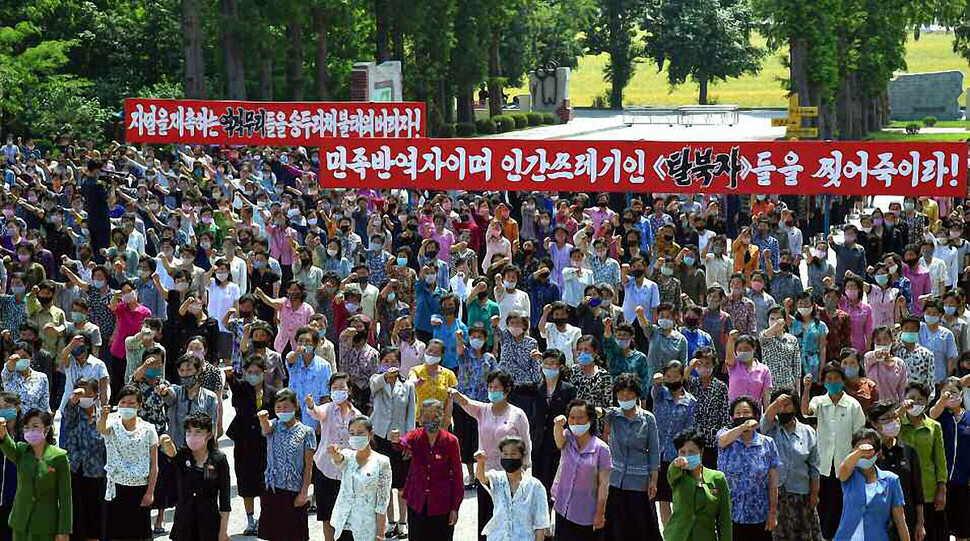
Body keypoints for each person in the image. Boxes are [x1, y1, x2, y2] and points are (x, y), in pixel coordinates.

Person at [449, 370, 532, 541]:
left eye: (497, 387)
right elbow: (466, 402)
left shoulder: (517, 414)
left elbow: (526, 442)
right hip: (486, 475)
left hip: (511, 475)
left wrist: (524, 470)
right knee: (486, 518)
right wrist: (455, 393)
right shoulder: (483, 410)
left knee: (508, 518)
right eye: (490, 387)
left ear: (506, 390)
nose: (492, 391)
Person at [800, 362, 866, 540]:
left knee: (841, 506)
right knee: (822, 506)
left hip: (845, 467)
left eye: (837, 378)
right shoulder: (819, 401)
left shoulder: (853, 405)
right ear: (823, 381)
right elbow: (806, 412)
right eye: (829, 379)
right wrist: (806, 389)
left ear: (843, 380)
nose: (833, 381)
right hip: (823, 465)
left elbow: (859, 436)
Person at [391, 399, 464, 541]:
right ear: (420, 418)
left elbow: (457, 476)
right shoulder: (415, 436)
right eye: (427, 416)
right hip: (417, 503)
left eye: (435, 416)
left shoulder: (451, 441)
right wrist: (396, 440)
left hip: (442, 505)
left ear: (442, 416)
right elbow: (402, 443)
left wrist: (455, 507)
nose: (431, 420)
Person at [602, 373, 662, 541]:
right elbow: (602, 437)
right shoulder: (612, 415)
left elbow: (654, 451)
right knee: (616, 527)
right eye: (621, 393)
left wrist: (653, 480)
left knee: (640, 527)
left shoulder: (648, 419)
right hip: (615, 480)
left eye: (628, 393)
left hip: (639, 482)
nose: (624, 397)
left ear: (636, 394)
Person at [97, 384, 158, 540]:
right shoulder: (113, 425)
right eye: (123, 402)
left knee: (139, 533)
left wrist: (150, 492)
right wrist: (103, 416)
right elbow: (102, 429)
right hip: (117, 487)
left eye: (131, 403)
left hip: (140, 488)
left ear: (139, 405)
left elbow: (154, 465)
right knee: (116, 533)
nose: (127, 406)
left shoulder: (149, 429)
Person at [0, 409, 71, 541]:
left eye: (35, 426)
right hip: (20, 523)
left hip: (46, 526)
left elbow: (65, 497)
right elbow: (8, 446)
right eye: (26, 427)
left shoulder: (59, 457)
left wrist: (64, 530)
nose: (30, 431)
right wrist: (3, 433)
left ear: (47, 429)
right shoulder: (21, 450)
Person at [224, 355, 276, 536]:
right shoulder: (241, 389)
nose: (253, 375)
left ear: (264, 372)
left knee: (265, 481)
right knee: (246, 481)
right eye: (249, 372)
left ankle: (265, 518)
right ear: (245, 373)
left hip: (265, 442)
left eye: (257, 372)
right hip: (244, 441)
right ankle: (250, 520)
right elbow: (233, 382)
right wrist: (230, 376)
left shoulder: (272, 392)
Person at [761, 388, 822, 541]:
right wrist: (776, 403)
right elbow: (766, 419)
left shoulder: (808, 432)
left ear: (795, 406)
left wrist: (814, 494)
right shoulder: (770, 429)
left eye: (787, 405)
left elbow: (814, 468)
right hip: (776, 496)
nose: (783, 409)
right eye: (779, 406)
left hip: (801, 494)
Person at [158, 413, 231, 541]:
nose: (192, 436)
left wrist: (223, 531)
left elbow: (225, 499)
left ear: (209, 435)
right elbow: (172, 454)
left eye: (198, 432)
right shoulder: (182, 456)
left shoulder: (218, 459)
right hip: (184, 523)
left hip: (209, 524)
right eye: (189, 432)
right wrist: (165, 441)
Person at [305, 373, 361, 541]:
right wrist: (311, 405)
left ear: (349, 390)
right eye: (334, 388)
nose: (338, 391)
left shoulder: (356, 414)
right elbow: (317, 413)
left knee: (347, 515)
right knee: (327, 515)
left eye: (342, 387)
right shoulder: (328, 408)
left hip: (347, 472)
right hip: (326, 469)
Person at [369, 346, 416, 538]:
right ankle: (390, 522)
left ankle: (403, 523)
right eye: (386, 361)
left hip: (400, 439)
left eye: (394, 362)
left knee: (402, 485)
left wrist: (409, 441)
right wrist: (385, 376)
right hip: (380, 437)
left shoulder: (408, 385)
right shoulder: (376, 380)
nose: (390, 365)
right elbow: (374, 387)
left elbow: (411, 415)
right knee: (385, 483)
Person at [717, 396, 780, 541]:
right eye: (737, 413)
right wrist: (743, 427)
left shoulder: (767, 443)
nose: (741, 416)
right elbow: (722, 441)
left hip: (758, 515)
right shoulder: (725, 435)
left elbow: (773, 482)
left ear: (755, 416)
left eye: (746, 413)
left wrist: (772, 512)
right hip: (729, 515)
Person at [257, 388, 316, 541]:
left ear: (295, 407)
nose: (282, 410)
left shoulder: (307, 432)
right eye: (278, 407)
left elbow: (309, 467)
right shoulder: (273, 426)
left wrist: (304, 492)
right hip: (273, 490)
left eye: (286, 407)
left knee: (295, 536)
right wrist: (263, 420)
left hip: (294, 492)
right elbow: (266, 428)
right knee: (274, 535)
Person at [550, 399, 612, 539]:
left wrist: (600, 513)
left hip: (586, 514)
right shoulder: (567, 438)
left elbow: (604, 485)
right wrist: (558, 424)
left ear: (590, 419)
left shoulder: (602, 449)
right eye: (572, 417)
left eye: (580, 418)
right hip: (563, 508)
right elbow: (558, 441)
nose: (576, 422)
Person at [834, 429, 911, 541]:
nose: (864, 454)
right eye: (858, 448)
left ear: (877, 452)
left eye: (869, 449)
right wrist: (859, 452)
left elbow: (900, 520)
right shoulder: (849, 475)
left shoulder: (891, 480)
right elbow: (843, 470)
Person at [325, 415, 392, 541]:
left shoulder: (382, 462)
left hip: (366, 527)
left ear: (370, 434)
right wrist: (334, 453)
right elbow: (339, 459)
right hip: (343, 523)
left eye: (360, 433)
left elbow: (382, 501)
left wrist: (380, 533)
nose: (356, 436)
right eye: (352, 433)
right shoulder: (348, 455)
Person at [868, 400, 925, 541]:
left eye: (895, 417)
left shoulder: (909, 451)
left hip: (906, 522)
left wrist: (920, 523)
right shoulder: (868, 454)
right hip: (877, 523)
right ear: (875, 424)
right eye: (887, 419)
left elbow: (917, 491)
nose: (893, 422)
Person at [898, 382, 948, 541]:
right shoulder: (896, 424)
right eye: (911, 398)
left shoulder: (934, 427)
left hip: (928, 490)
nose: (916, 402)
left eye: (920, 400)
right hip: (902, 489)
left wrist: (941, 489)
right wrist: (900, 412)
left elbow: (940, 460)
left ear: (926, 402)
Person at [473, 437, 550, 541]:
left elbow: (540, 524)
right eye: (505, 454)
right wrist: (480, 462)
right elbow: (481, 477)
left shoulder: (535, 486)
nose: (509, 457)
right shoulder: (497, 479)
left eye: (513, 454)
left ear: (522, 456)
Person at [664, 427, 732, 541]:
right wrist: (676, 464)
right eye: (682, 452)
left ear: (701, 452)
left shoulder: (718, 478)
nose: (686, 456)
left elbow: (725, 518)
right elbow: (672, 472)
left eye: (691, 452)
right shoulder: (678, 475)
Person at [61, 378, 106, 541]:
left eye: (88, 392)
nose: (84, 396)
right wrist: (73, 399)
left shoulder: (104, 416)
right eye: (80, 392)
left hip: (96, 472)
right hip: (75, 469)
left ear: (95, 395)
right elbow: (69, 410)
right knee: (77, 513)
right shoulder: (73, 413)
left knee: (95, 513)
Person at [652, 360, 697, 524]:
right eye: (668, 376)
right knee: (663, 499)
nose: (671, 380)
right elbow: (655, 390)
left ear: (682, 377)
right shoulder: (660, 394)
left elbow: (690, 430)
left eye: (675, 376)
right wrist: (657, 380)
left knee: (678, 497)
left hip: (677, 456)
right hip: (658, 454)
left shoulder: (691, 401)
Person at [927, 376, 970, 541]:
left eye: (954, 392)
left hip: (963, 480)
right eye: (946, 393)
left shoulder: (968, 418)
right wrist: (942, 400)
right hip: (940, 481)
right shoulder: (941, 415)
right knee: (941, 526)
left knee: (963, 528)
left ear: (961, 394)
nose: (950, 396)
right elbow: (932, 415)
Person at [529, 349, 576, 497]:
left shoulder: (569, 389)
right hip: (538, 442)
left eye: (553, 364)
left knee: (557, 485)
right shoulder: (536, 388)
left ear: (561, 367)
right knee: (539, 484)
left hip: (559, 443)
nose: (549, 367)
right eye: (546, 363)